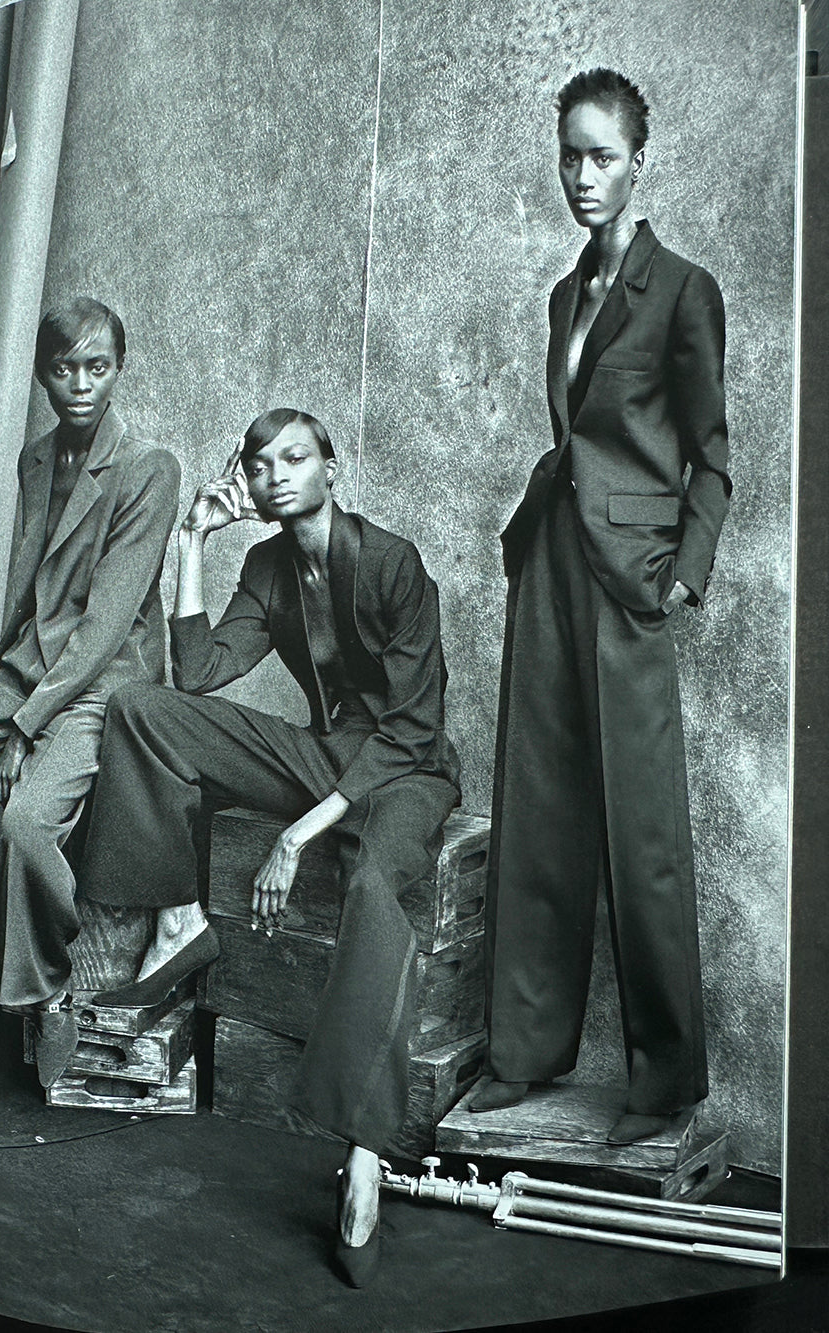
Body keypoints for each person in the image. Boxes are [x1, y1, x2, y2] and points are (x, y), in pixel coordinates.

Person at [76, 408, 461, 1285]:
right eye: (260, 464)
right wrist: (190, 542)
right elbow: (198, 673)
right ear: (245, 481)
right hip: (328, 756)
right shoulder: (266, 566)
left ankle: (363, 1155)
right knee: (143, 711)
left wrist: (299, 831)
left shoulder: (394, 562)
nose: (276, 474)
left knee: (371, 885)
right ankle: (180, 917)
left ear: (333, 467)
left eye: (295, 458)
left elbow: (412, 729)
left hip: (406, 771)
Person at [469, 69, 731, 1145]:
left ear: (639, 164)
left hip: (632, 577)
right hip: (552, 564)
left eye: (602, 157)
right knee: (541, 813)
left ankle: (664, 1082)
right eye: (569, 155)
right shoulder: (563, 293)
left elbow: (711, 457)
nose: (582, 175)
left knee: (642, 832)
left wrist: (684, 572)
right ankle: (525, 1054)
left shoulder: (683, 291)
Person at [0, 297, 180, 1088]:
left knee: (27, 823)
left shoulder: (149, 468)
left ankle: (48, 990)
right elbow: (35, 591)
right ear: (42, 374)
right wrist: (4, 694)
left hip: (104, 678)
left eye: (97, 367)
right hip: (28, 665)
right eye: (65, 368)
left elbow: (104, 625)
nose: (81, 384)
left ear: (119, 370)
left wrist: (25, 727)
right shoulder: (36, 458)